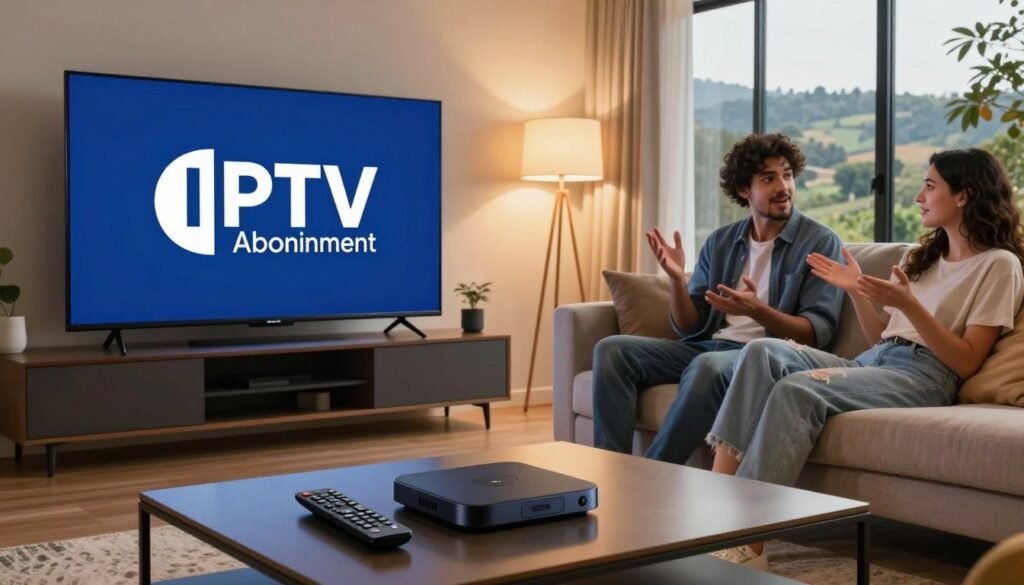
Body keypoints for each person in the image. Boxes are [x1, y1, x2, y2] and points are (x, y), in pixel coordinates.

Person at [707, 148, 1024, 568]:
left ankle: (750, 542)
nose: (919, 197)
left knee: (798, 391)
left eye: (930, 186)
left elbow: (966, 362)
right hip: (876, 360)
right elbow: (881, 337)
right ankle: (714, 513)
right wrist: (856, 290)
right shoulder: (921, 257)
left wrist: (911, 306)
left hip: (928, 375)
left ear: (963, 195)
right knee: (760, 352)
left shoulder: (999, 265)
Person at [592, 133, 845, 460]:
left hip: (763, 359)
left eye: (787, 175)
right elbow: (689, 326)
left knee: (707, 367)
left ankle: (653, 471)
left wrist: (758, 311)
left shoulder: (820, 242)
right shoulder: (721, 241)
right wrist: (676, 280)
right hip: (709, 346)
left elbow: (816, 334)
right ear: (744, 190)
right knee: (612, 350)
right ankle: (612, 468)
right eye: (769, 179)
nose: (783, 187)